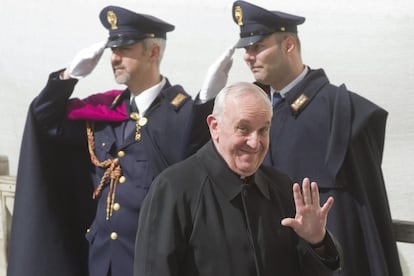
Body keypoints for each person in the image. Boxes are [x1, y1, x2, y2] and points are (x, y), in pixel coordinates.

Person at [8, 5, 213, 276]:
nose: (114, 58)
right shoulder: (106, 112)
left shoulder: (182, 114)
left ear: (153, 52)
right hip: (102, 259)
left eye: (124, 50)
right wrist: (68, 78)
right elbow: (44, 119)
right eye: (113, 51)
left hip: (150, 261)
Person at [200, 1, 403, 276]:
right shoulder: (250, 110)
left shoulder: (340, 114)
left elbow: (360, 219)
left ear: (289, 46)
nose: (248, 57)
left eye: (258, 47)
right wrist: (205, 100)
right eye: (246, 49)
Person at [134, 82, 341, 276]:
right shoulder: (173, 189)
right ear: (214, 127)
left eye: (263, 130)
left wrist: (317, 243)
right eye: (243, 128)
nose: (254, 142)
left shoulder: (282, 188)